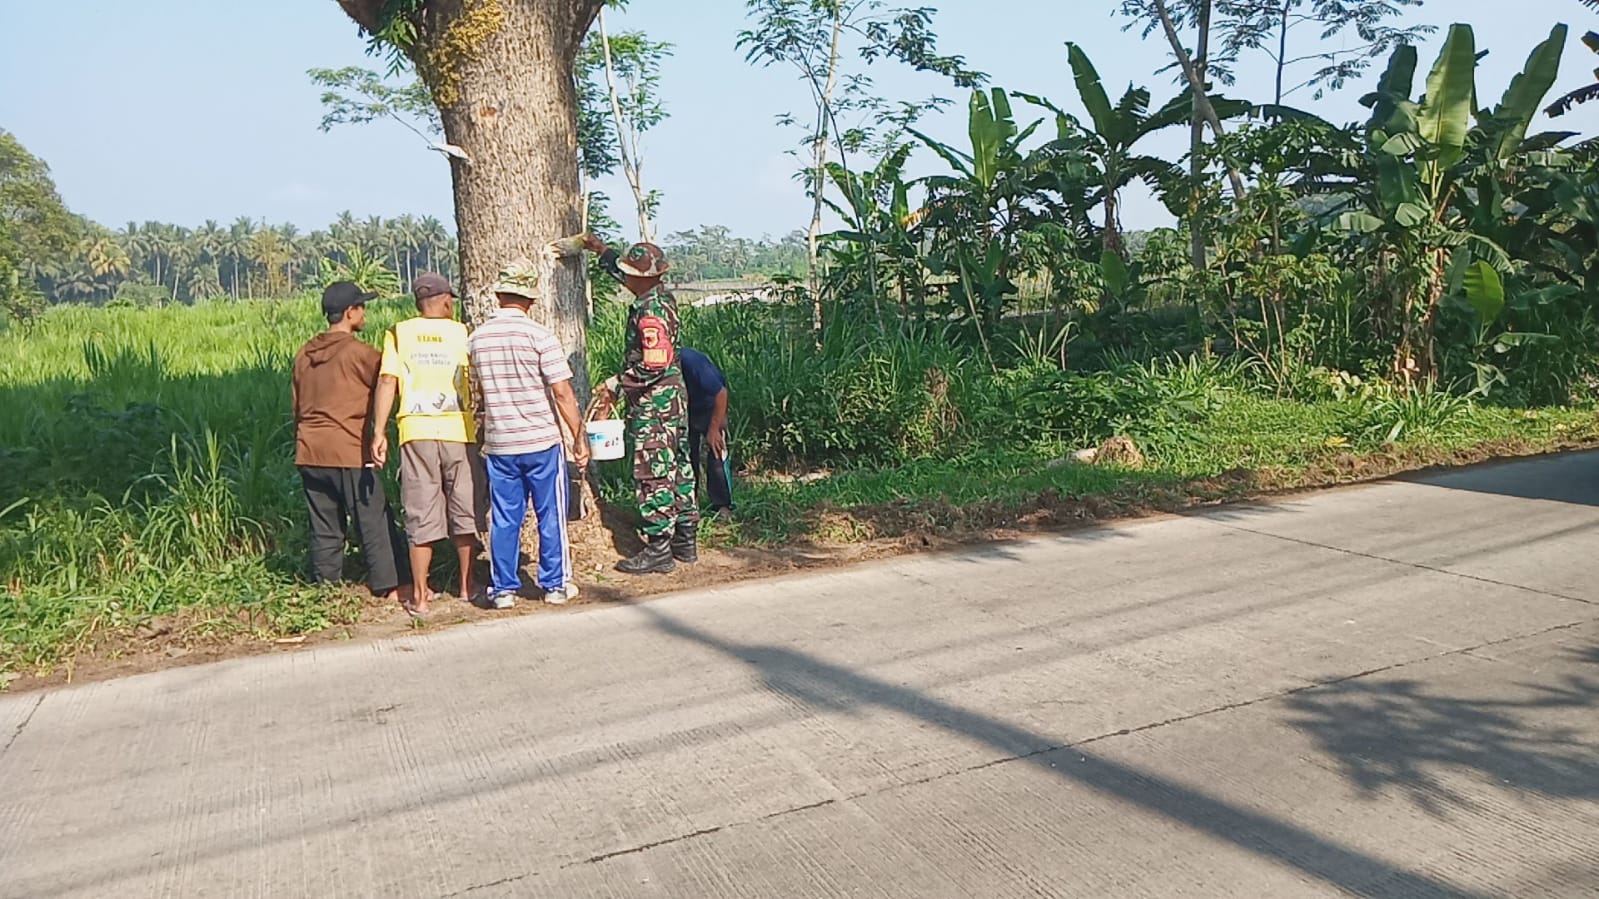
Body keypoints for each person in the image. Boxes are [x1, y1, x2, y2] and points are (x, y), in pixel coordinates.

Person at [468, 259, 590, 609]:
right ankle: (554, 584)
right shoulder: (541, 337)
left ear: (499, 295)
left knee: (505, 517)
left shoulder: (477, 340)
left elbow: (476, 391)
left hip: (500, 442)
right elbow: (563, 392)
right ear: (531, 300)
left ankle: (503, 588)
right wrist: (578, 437)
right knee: (550, 513)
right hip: (540, 441)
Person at [583, 236, 699, 574]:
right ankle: (685, 539)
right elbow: (626, 276)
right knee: (678, 466)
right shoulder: (660, 296)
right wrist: (603, 253)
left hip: (655, 403)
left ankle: (659, 549)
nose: (625, 278)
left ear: (642, 277)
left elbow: (655, 362)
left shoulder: (650, 312)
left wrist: (616, 384)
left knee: (653, 472)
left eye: (629, 273)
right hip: (673, 401)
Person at [370, 273, 482, 616]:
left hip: (415, 431)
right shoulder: (463, 332)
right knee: (465, 508)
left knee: (420, 511)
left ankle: (419, 596)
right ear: (447, 301)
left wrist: (378, 431)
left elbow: (388, 380)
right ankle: (467, 585)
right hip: (458, 432)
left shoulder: (399, 333)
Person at [291, 281, 410, 603]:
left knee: (325, 524)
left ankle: (326, 587)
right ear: (350, 312)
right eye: (362, 307)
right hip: (348, 449)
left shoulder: (304, 354)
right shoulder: (359, 353)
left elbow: (296, 404)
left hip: (310, 450)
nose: (365, 312)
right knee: (372, 518)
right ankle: (389, 586)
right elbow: (389, 379)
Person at [678, 347, 734, 516]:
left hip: (710, 406)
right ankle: (689, 503)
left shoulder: (692, 362)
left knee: (717, 449)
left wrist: (714, 428)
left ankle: (723, 505)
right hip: (683, 409)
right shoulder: (656, 367)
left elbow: (721, 393)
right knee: (685, 454)